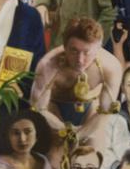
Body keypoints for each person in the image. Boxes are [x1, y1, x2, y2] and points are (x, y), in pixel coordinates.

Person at [31, 17, 122, 155]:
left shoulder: (111, 67)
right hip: (53, 110)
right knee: (55, 156)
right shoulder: (48, 65)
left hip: (91, 110)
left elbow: (105, 111)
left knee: (93, 156)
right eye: (74, 51)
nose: (80, 60)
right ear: (65, 47)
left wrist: (78, 135)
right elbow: (39, 109)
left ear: (98, 48)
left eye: (86, 52)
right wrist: (65, 131)